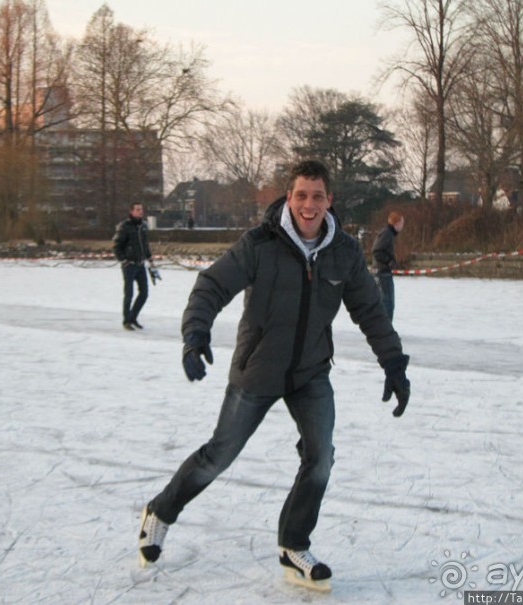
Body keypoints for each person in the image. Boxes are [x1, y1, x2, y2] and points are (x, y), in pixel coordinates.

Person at [137, 160, 411, 591]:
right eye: (301, 195)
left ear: (329, 201)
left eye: (317, 196)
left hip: (310, 372)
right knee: (219, 455)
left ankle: (293, 545)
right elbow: (211, 286)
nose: (309, 204)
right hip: (259, 368)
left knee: (320, 457)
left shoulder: (342, 251)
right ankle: (161, 511)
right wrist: (195, 335)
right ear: (289, 198)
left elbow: (370, 311)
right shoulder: (260, 244)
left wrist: (393, 362)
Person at [113, 202, 156, 330]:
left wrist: (149, 258)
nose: (140, 212)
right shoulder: (125, 226)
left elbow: (144, 244)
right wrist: (123, 260)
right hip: (129, 265)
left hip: (140, 264)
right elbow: (116, 246)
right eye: (137, 210)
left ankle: (133, 317)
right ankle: (126, 321)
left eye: (141, 209)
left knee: (144, 293)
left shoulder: (142, 226)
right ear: (131, 211)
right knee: (129, 294)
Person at [371, 211, 405, 321]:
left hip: (381, 271)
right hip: (382, 273)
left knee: (384, 302)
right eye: (402, 222)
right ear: (397, 223)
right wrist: (389, 262)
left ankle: (380, 329)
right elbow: (376, 251)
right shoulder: (387, 233)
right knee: (388, 303)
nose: (403, 225)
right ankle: (385, 331)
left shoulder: (388, 233)